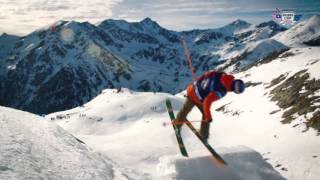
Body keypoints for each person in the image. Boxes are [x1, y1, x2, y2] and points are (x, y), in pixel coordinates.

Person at [175, 70, 245, 141]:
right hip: (199, 99)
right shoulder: (222, 91)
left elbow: (207, 74)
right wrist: (208, 117)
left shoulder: (220, 74)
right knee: (205, 116)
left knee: (185, 109)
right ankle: (204, 136)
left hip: (192, 90)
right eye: (237, 88)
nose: (236, 88)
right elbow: (207, 101)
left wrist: (197, 83)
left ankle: (177, 125)